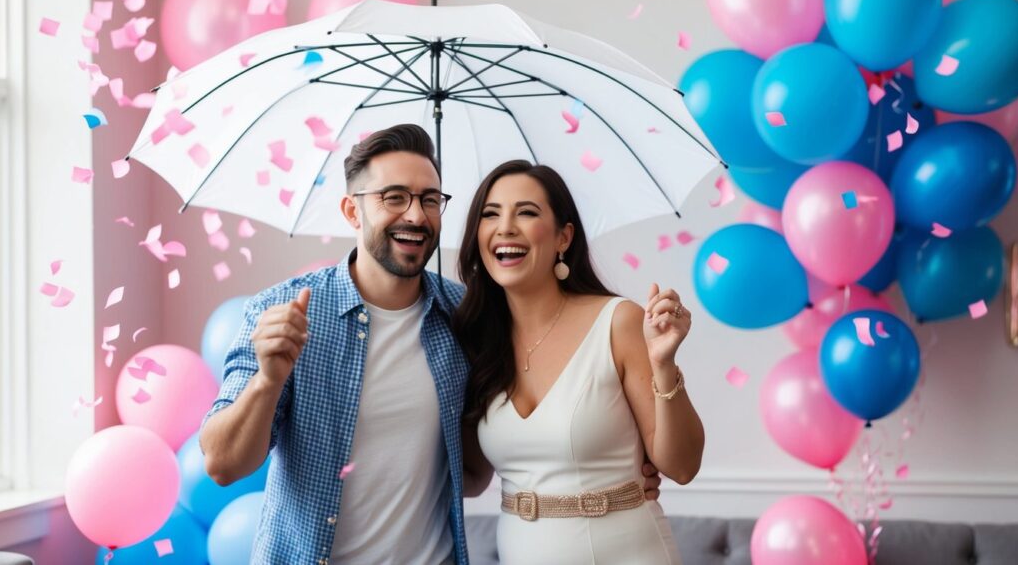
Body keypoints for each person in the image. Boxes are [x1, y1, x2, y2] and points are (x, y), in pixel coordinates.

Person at [199, 124, 469, 565]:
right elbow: (222, 464)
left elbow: (474, 472)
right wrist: (268, 380)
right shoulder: (281, 309)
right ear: (351, 211)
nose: (417, 216)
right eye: (394, 197)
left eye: (430, 199)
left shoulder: (461, 314)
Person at [453, 160, 705, 564]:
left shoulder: (618, 322)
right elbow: (470, 477)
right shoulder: (474, 342)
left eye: (527, 212)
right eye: (490, 214)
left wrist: (663, 363)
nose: (505, 227)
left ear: (563, 237)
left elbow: (683, 465)